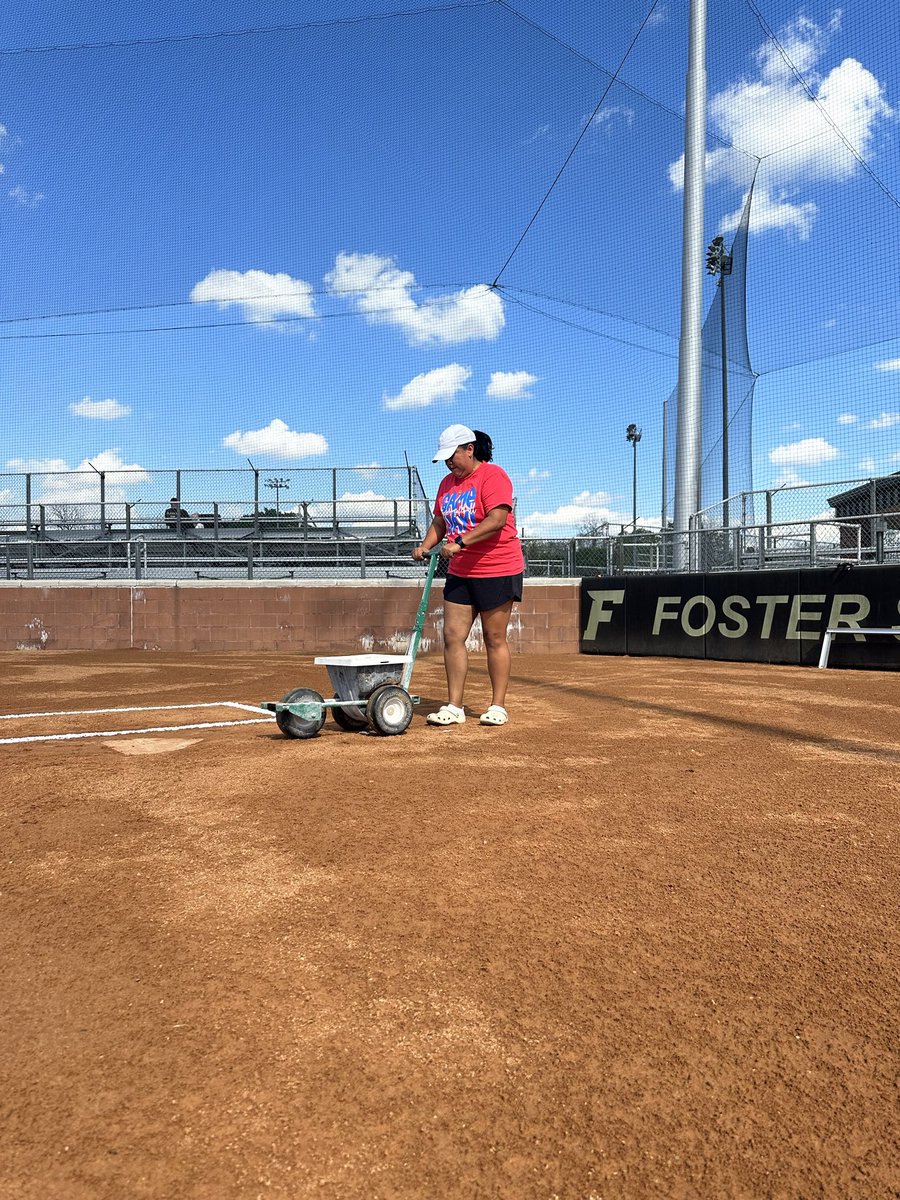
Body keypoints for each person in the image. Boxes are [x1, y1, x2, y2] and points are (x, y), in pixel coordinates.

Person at [412, 423, 524, 727]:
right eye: (445, 458)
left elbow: (497, 519)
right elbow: (440, 521)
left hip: (497, 567)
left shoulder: (493, 475)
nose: (449, 463)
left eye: (453, 455)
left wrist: (460, 543)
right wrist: (425, 545)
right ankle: (454, 706)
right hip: (461, 571)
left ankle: (497, 705)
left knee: (494, 637)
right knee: (452, 636)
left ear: (469, 449)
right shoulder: (447, 484)